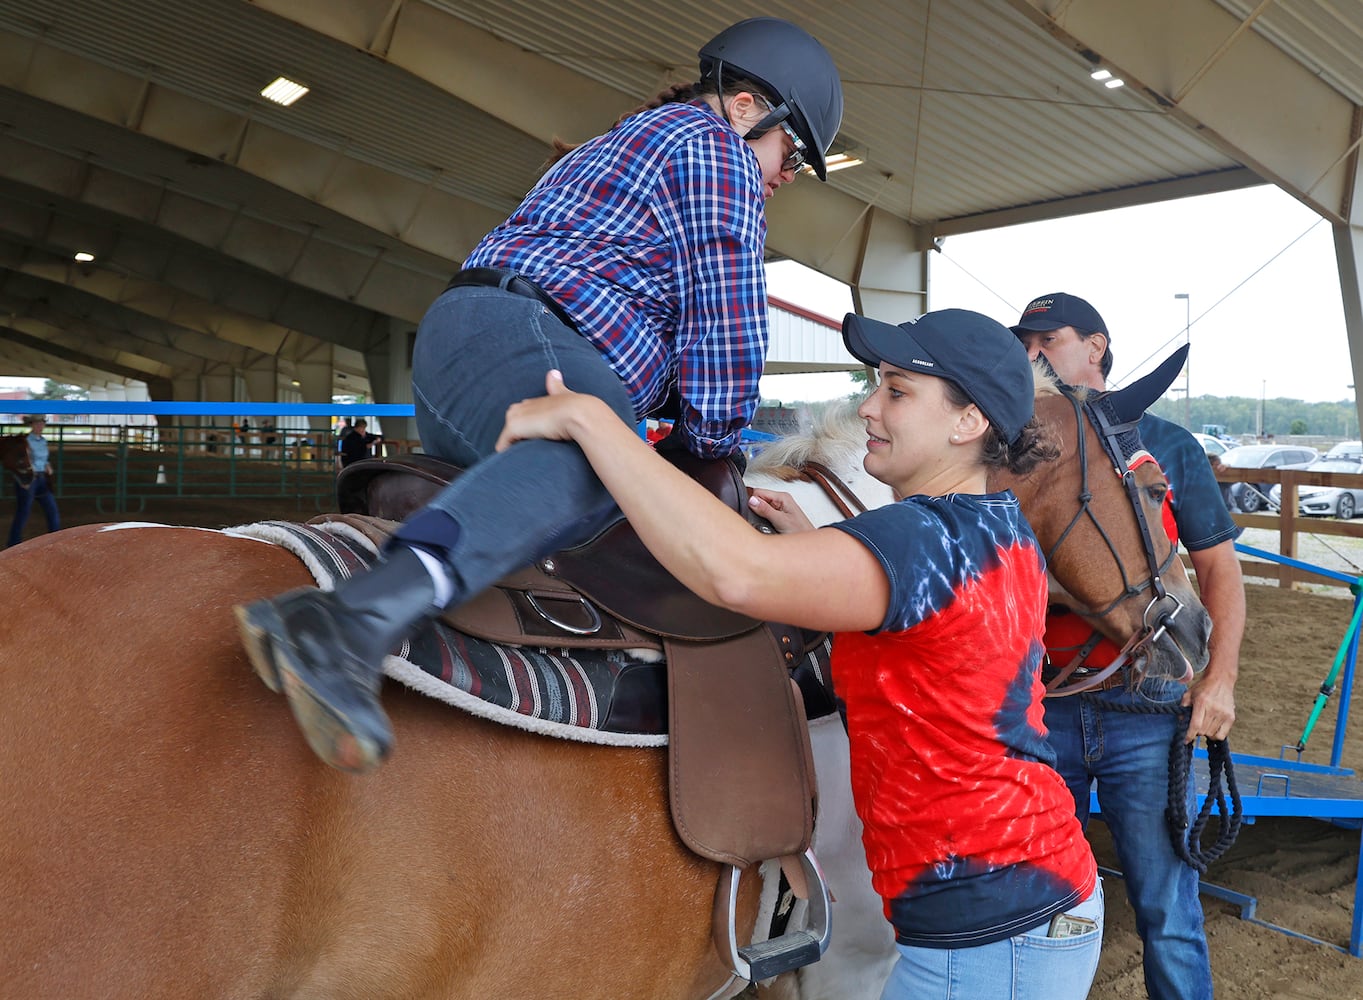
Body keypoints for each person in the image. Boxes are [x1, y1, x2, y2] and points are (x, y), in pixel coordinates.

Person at [237, 17, 846, 773]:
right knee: (604, 454)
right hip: (532, 337)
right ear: (749, 107)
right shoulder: (711, 146)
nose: (787, 175)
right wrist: (708, 451)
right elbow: (726, 324)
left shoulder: (625, 142)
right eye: (791, 152)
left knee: (587, 489)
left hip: (486, 345)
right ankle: (350, 621)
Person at [498, 309, 1102, 1000]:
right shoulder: (996, 528)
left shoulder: (919, 540)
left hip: (993, 929)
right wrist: (826, 541)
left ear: (967, 424)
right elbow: (940, 647)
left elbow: (737, 574)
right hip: (1019, 898)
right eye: (875, 385)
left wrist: (596, 425)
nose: (868, 407)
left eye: (898, 391)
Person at [1011, 292, 1245, 1000]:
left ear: (1096, 347)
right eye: (1023, 345)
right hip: (1038, 704)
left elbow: (1217, 571)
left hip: (1147, 706)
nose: (1032, 356)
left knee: (1166, 909)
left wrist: (1219, 679)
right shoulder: (1013, 448)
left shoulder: (1167, 444)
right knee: (1029, 904)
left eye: (1047, 341)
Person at [7, 415, 61, 548]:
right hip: (28, 480)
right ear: (31, 425)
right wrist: (21, 480)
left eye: (42, 423)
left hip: (42, 479)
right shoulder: (24, 442)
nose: (39, 426)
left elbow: (42, 459)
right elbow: (15, 462)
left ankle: (55, 540)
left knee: (52, 510)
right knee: (23, 512)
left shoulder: (43, 441)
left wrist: (47, 465)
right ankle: (13, 543)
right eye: (37, 424)